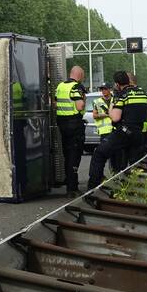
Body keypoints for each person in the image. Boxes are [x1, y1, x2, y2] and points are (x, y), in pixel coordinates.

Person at [88, 70, 147, 189]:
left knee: (99, 153)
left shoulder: (122, 95)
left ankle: (93, 187)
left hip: (124, 132)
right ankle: (135, 189)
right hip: (139, 134)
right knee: (133, 162)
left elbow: (115, 118)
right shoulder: (144, 94)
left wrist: (112, 106)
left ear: (117, 84)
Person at [55, 65, 86, 196]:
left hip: (62, 124)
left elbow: (55, 103)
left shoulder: (60, 86)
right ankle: (72, 188)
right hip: (74, 124)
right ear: (79, 75)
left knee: (67, 154)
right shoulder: (76, 87)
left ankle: (69, 182)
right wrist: (83, 98)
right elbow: (79, 106)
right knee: (75, 155)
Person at [92, 84, 122, 175]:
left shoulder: (116, 99)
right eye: (102, 89)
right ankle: (102, 174)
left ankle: (115, 172)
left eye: (105, 89)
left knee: (116, 154)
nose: (103, 91)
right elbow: (95, 115)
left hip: (116, 130)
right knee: (104, 154)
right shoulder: (97, 101)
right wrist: (107, 115)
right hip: (104, 132)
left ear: (110, 89)